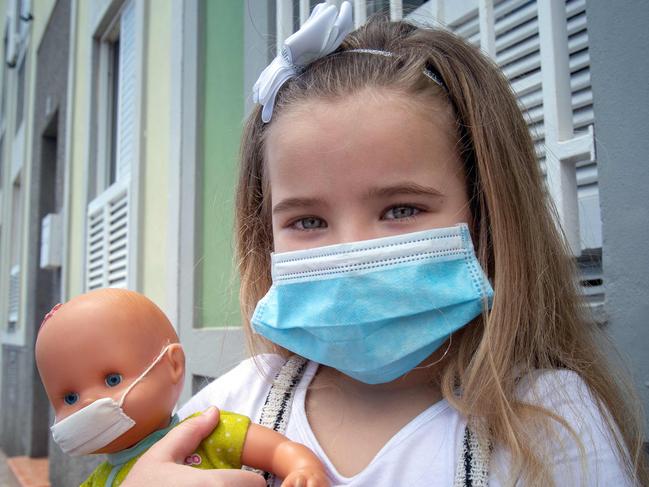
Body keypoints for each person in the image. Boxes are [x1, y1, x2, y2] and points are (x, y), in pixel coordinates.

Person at [123, 2, 649, 486]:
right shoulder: (229, 407)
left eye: (401, 209)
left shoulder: (552, 426)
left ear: (486, 214)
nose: (351, 253)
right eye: (307, 221)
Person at [35, 289, 329, 487]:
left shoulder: (207, 432)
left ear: (173, 365)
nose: (87, 402)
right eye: (70, 397)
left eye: (112, 380)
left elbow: (278, 448)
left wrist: (303, 468)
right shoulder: (98, 480)